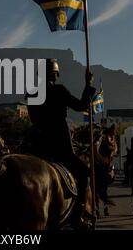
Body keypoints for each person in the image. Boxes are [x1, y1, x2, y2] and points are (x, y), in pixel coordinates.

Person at [26, 58, 96, 230]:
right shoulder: (59, 90)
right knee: (83, 173)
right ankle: (77, 217)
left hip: (37, 144)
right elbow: (80, 106)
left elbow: (34, 119)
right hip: (59, 143)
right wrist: (87, 85)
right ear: (55, 74)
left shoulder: (32, 93)